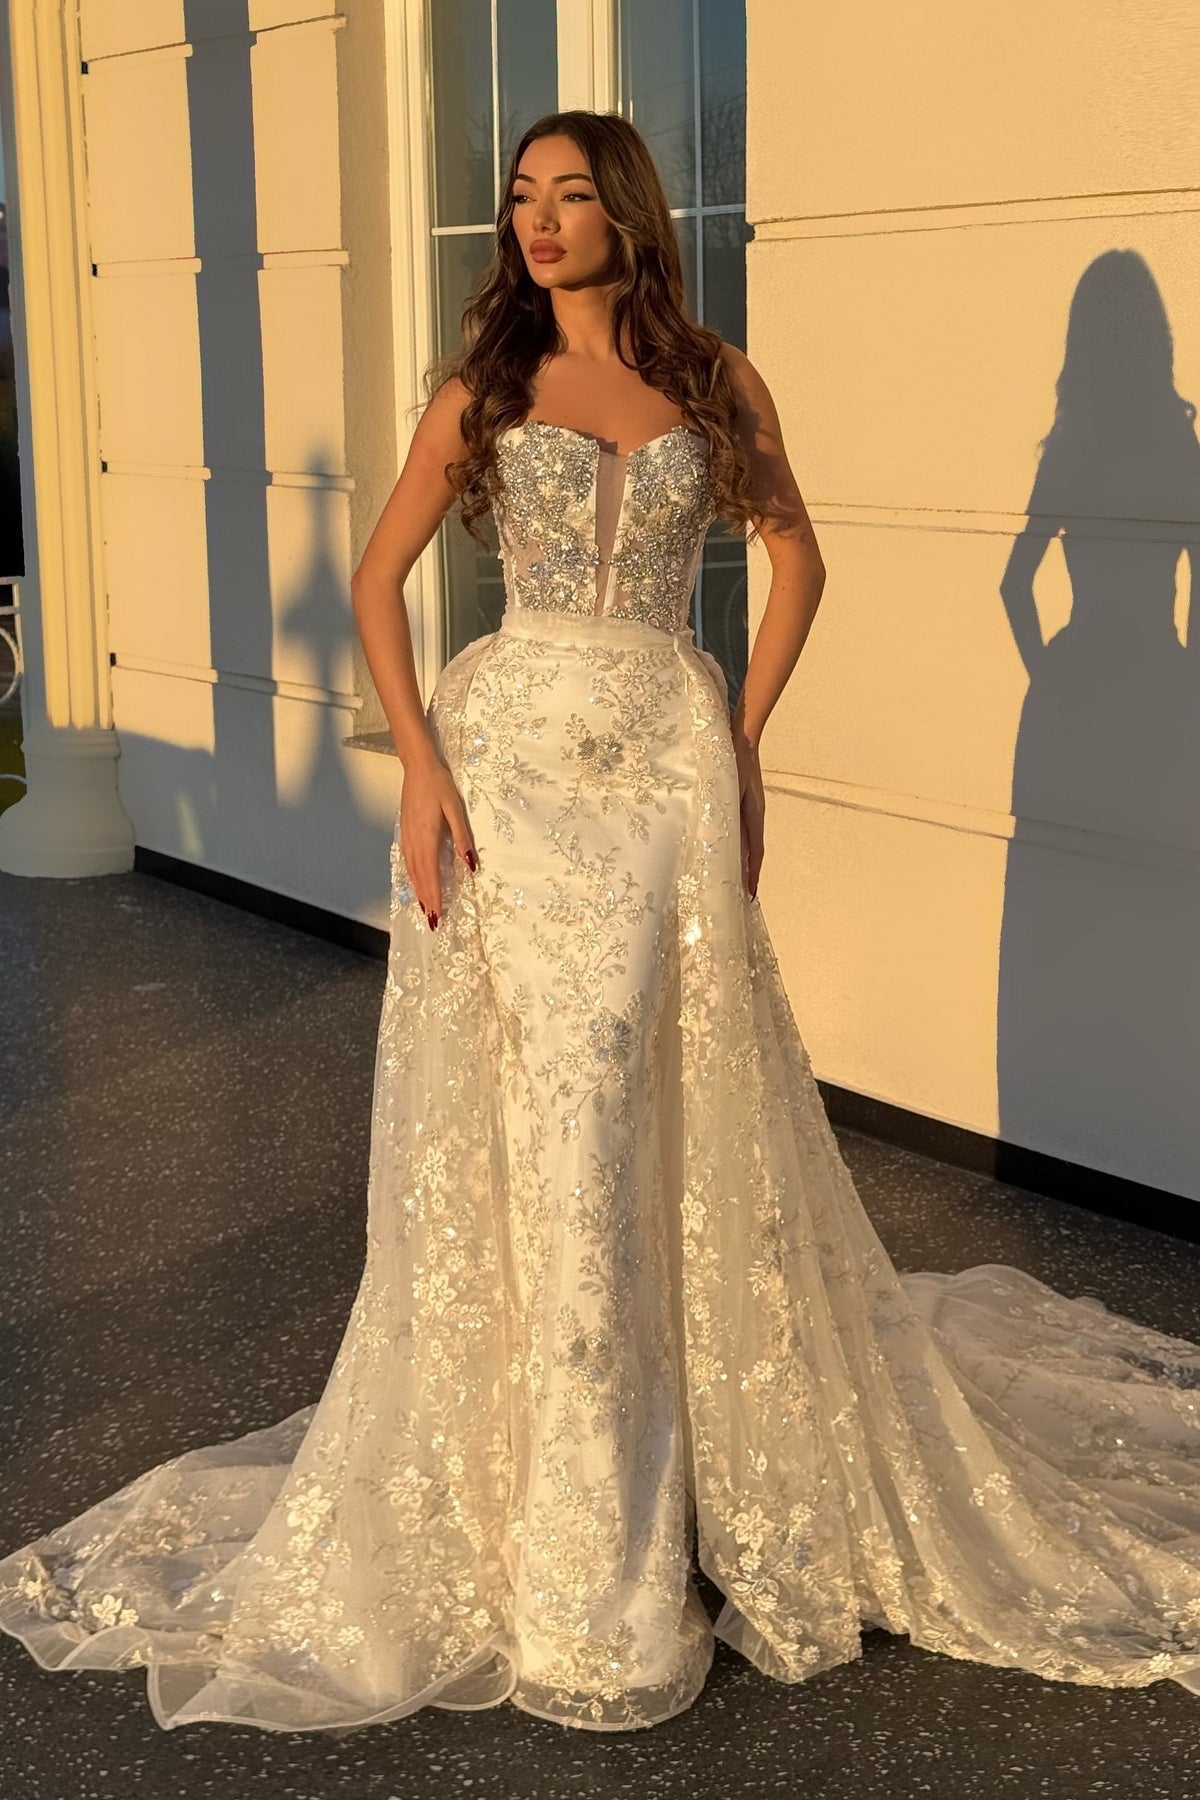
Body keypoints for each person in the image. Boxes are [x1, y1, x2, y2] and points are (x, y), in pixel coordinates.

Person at [2, 109, 1199, 1736]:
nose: (539, 219)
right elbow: (374, 582)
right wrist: (420, 769)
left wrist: (741, 739)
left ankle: (670, 1454)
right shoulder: (485, 387)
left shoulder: (714, 377)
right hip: (511, 771)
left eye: (570, 193)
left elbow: (797, 559)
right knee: (553, 1113)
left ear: (627, 211)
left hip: (663, 769)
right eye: (520, 197)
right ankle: (580, 1534)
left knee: (648, 1095)